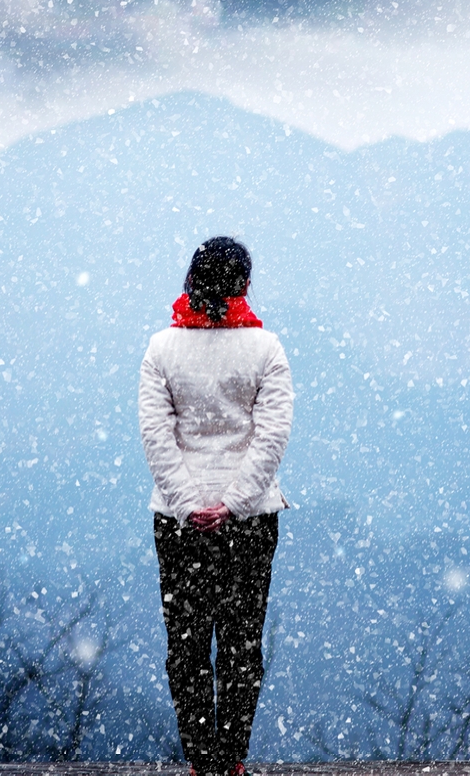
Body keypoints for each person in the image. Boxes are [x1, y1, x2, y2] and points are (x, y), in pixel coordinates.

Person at [139, 235, 293, 776]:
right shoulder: (267, 350)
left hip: (178, 524)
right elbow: (271, 438)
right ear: (245, 285)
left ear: (190, 280)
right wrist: (233, 504)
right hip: (251, 521)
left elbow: (156, 437)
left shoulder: (161, 349)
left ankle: (200, 762)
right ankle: (232, 761)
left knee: (186, 645)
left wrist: (190, 505)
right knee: (241, 642)